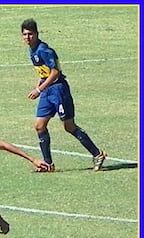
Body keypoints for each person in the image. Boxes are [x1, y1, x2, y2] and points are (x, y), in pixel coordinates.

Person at [21, 18, 107, 172]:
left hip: (59, 90)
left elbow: (55, 72)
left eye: (30, 34)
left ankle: (97, 154)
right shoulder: (31, 50)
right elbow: (43, 71)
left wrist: (39, 90)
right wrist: (38, 86)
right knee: (39, 126)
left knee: (69, 126)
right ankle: (48, 165)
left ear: (36, 34)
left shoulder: (44, 50)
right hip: (47, 91)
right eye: (25, 34)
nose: (28, 37)